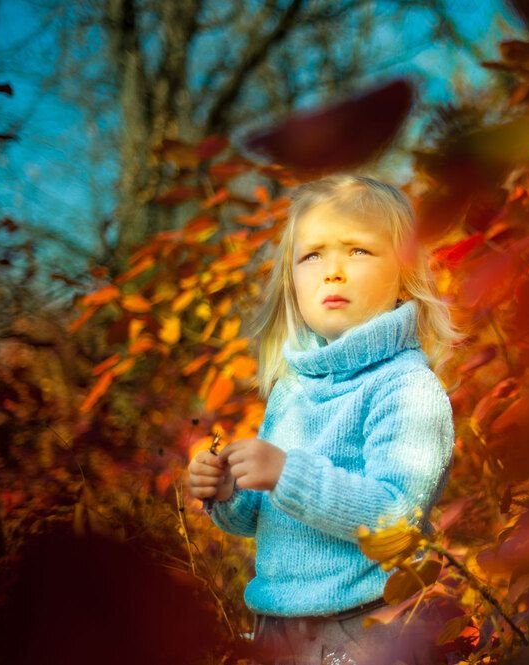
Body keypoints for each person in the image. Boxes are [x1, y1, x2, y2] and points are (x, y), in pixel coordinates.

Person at [186, 174, 466, 665]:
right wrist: (229, 490)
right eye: (312, 254)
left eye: (357, 250)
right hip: (277, 629)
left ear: (403, 275)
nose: (331, 271)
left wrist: (287, 472)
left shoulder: (406, 389)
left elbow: (396, 518)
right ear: (291, 281)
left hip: (363, 626)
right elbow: (262, 516)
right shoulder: (293, 388)